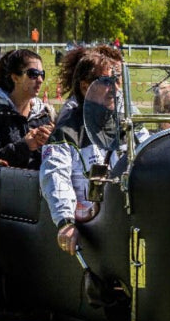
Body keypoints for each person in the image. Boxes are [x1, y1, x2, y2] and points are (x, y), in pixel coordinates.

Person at [40, 48, 123, 255]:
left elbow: (149, 155)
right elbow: (55, 175)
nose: (116, 88)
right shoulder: (68, 130)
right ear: (86, 87)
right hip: (90, 231)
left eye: (119, 79)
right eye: (108, 81)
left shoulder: (128, 124)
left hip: (125, 221)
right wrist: (66, 222)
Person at [0, 49, 54, 168]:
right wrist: (24, 147)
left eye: (42, 74)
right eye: (33, 74)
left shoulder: (43, 114)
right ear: (15, 77)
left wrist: (54, 142)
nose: (40, 80)